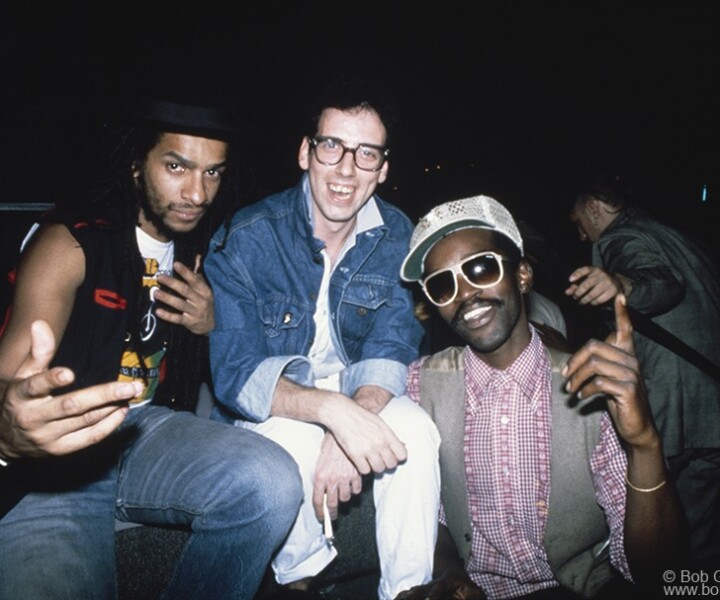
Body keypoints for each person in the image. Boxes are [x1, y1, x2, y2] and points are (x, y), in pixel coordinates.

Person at [0, 98, 303, 600]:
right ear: (136, 165)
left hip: (143, 432)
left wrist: (212, 327)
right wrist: (10, 429)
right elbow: (11, 377)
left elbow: (238, 369)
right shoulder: (70, 244)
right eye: (177, 166)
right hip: (57, 461)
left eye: (213, 173)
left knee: (271, 483)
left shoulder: (203, 249)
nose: (196, 192)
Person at [205, 79, 441, 600]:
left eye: (366, 154)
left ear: (383, 169)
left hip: (361, 389)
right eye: (332, 145)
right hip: (277, 403)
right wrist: (332, 415)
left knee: (416, 434)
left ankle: (408, 591)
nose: (346, 169)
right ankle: (301, 580)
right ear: (305, 152)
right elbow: (235, 374)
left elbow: (393, 343)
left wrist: (347, 421)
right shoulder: (247, 237)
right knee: (292, 443)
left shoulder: (400, 236)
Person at [396, 195, 686, 599]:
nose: (466, 294)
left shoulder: (593, 386)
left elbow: (664, 577)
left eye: (481, 268)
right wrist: (451, 574)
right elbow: (428, 512)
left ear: (523, 276)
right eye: (443, 284)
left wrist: (644, 444)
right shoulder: (417, 386)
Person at [566, 175, 720, 566]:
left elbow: (664, 284)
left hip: (673, 409)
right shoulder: (681, 238)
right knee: (701, 536)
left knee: (660, 530)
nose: (581, 235)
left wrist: (621, 282)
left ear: (595, 207)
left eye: (578, 220)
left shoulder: (620, 240)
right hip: (711, 410)